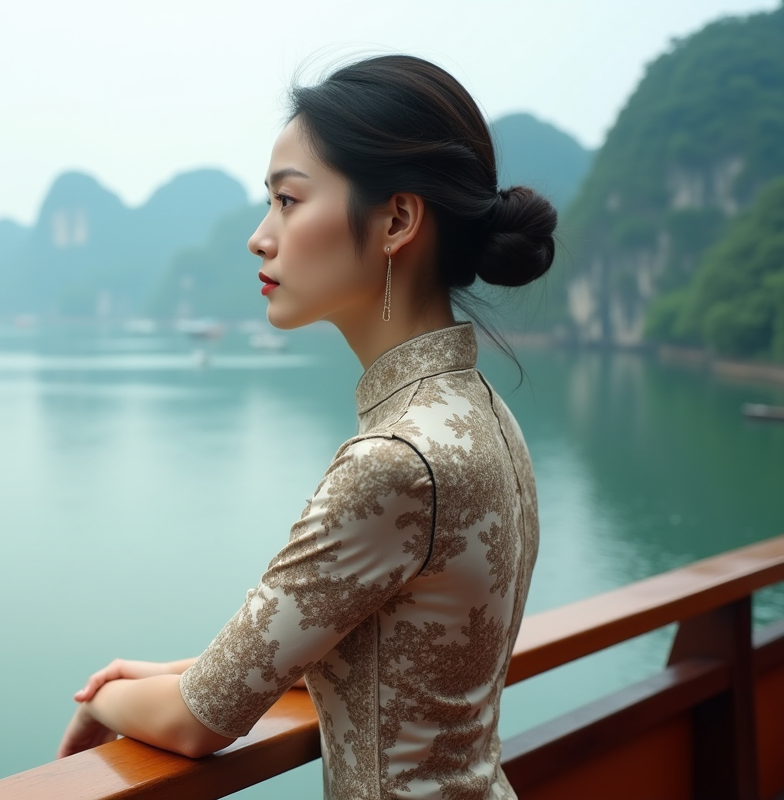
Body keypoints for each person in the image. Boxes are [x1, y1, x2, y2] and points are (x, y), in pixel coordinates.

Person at [58, 54, 556, 800]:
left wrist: (101, 700)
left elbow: (198, 722)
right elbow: (364, 636)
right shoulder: (481, 413)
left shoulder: (395, 460)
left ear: (397, 220)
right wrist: (173, 672)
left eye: (288, 201)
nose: (260, 238)